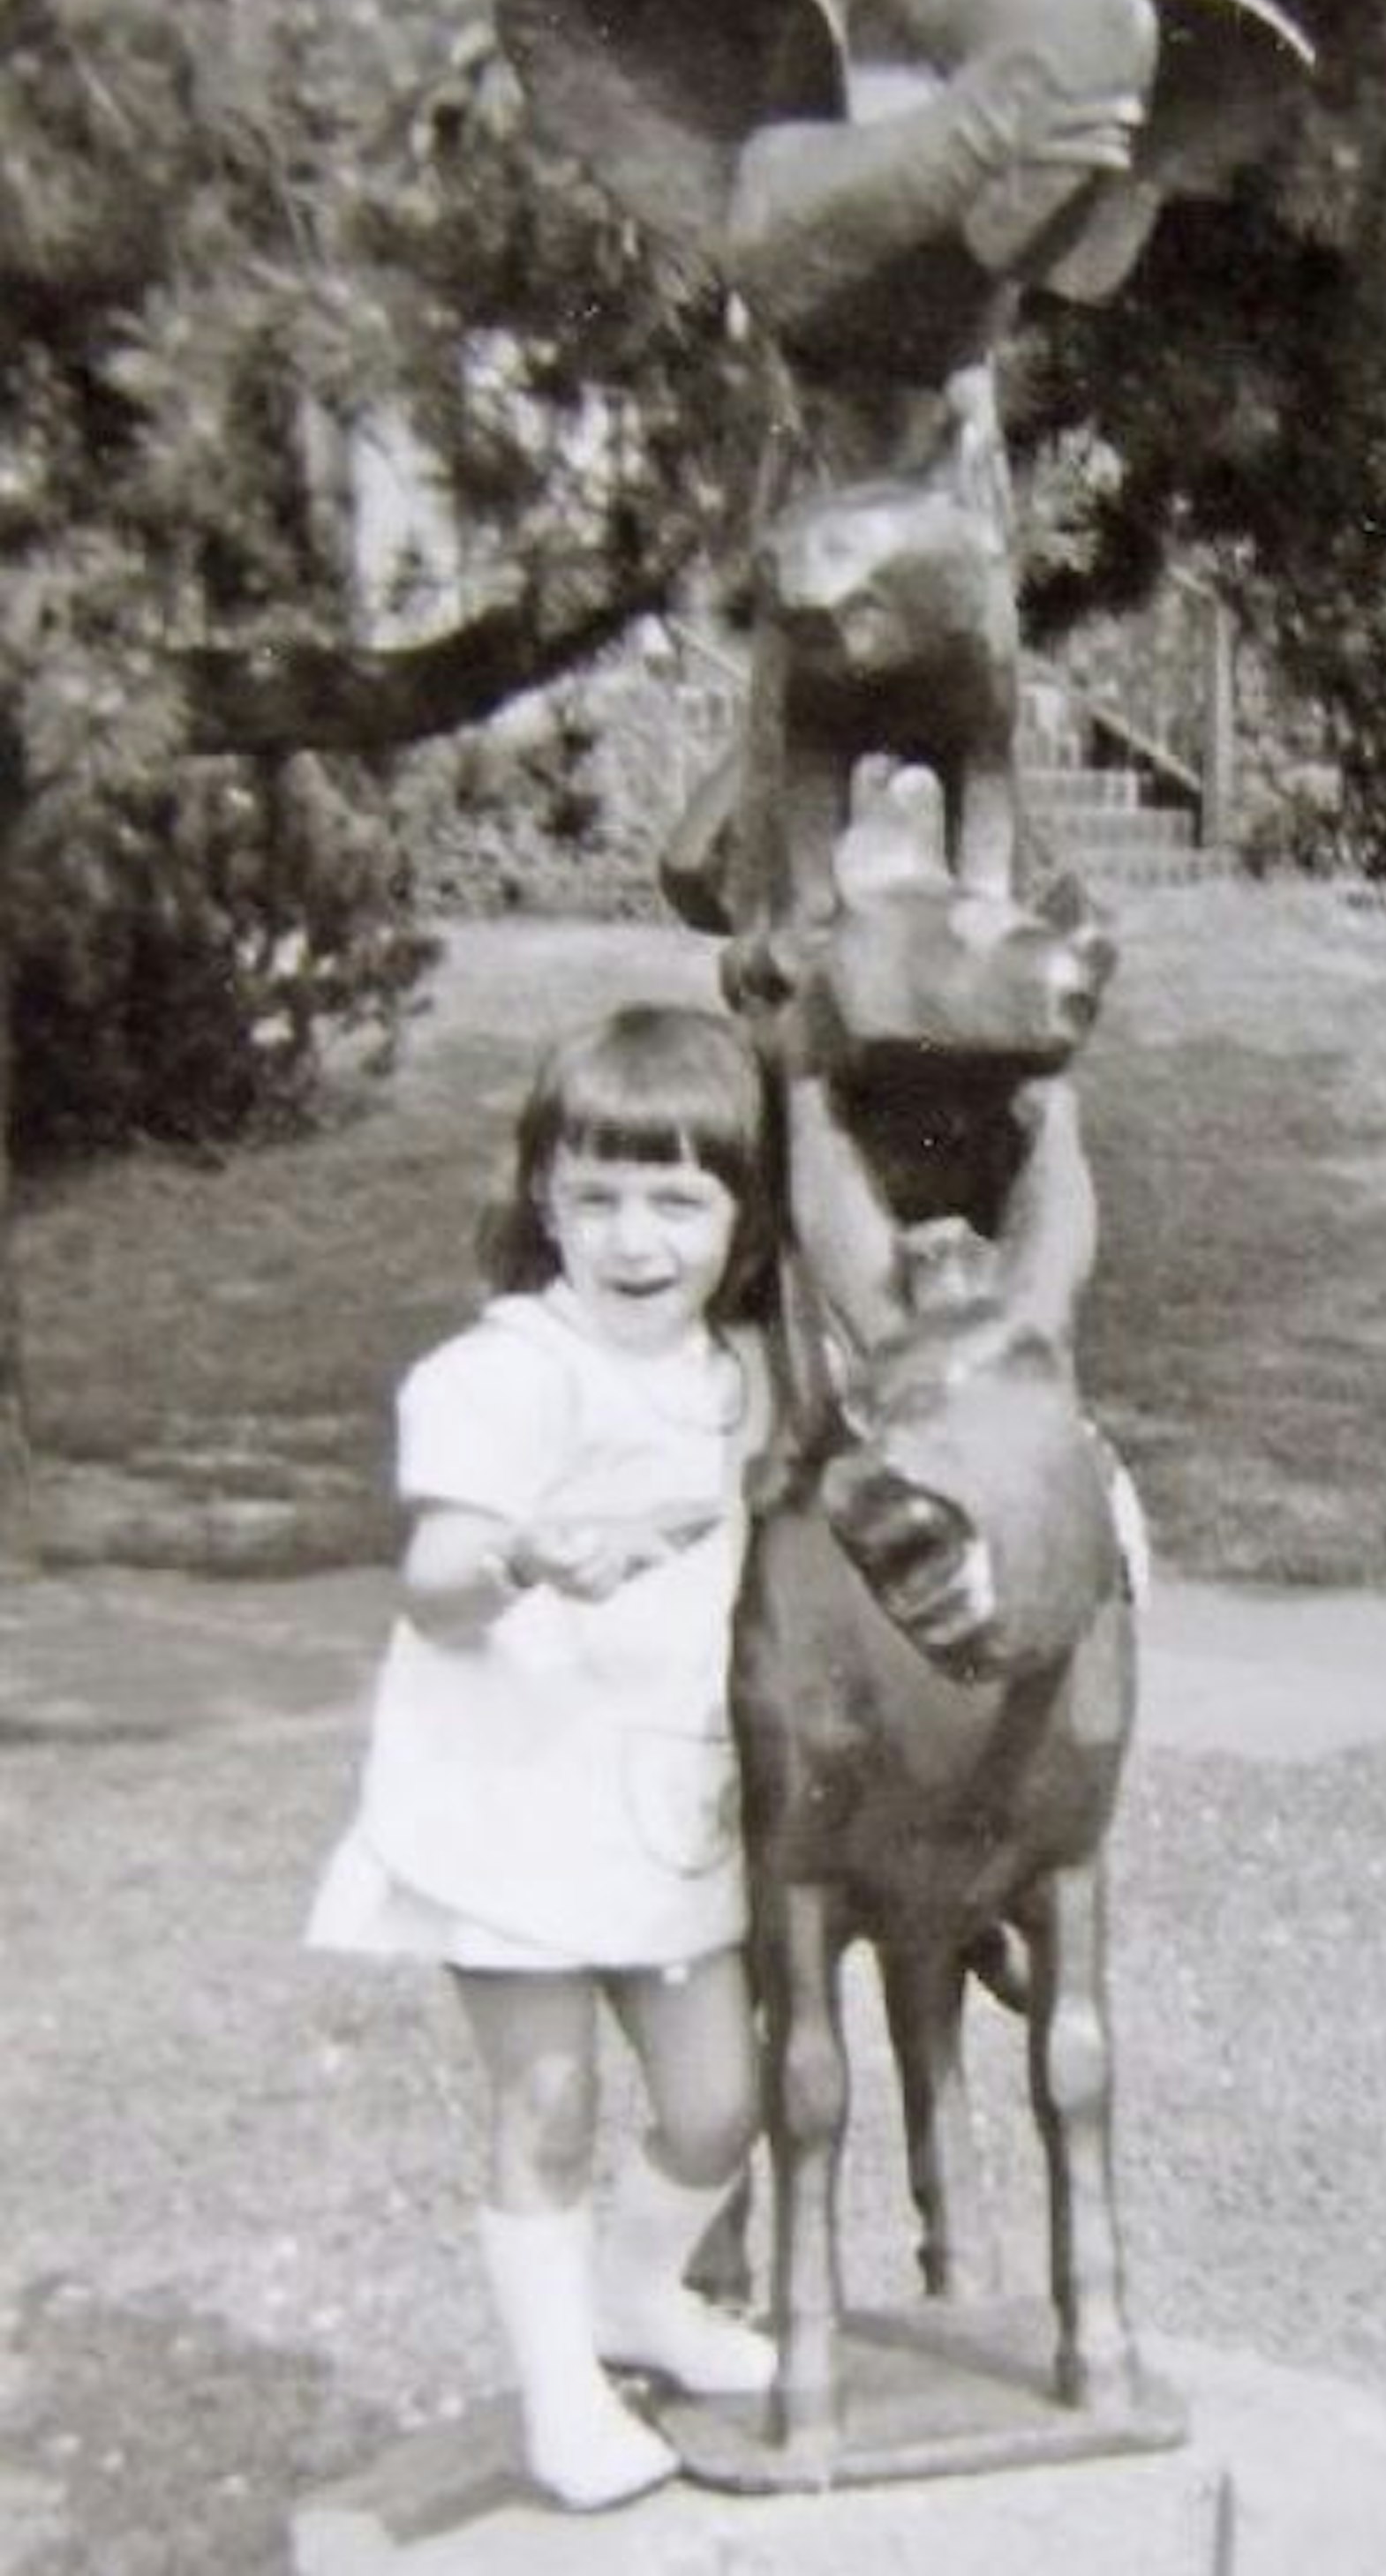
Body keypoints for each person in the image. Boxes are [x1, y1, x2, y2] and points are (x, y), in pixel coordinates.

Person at [307, 1003, 779, 2511]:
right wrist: (529, 1554)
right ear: (543, 1201)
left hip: (660, 1802)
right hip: (511, 1799)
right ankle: (562, 2396)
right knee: (552, 2105)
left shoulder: (744, 1378)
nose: (634, 1238)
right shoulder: (507, 1371)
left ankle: (639, 2296)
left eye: (678, 1199)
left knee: (717, 2104)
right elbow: (435, 1588)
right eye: (596, 1198)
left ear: (741, 1217)